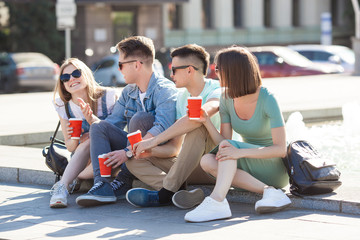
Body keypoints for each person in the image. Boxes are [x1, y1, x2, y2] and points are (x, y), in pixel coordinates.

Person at [184, 46, 291, 222]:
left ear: (234, 71)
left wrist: (239, 152)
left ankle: (217, 201)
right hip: (250, 164)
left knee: (227, 149)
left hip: (274, 166)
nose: (215, 72)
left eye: (218, 68)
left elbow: (280, 149)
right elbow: (224, 141)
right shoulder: (226, 98)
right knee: (207, 160)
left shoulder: (267, 98)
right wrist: (206, 121)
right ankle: (269, 192)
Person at [75, 36, 178, 207]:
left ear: (137, 64)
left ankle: (124, 179)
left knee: (139, 119)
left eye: (121, 64)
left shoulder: (165, 90)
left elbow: (162, 128)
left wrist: (127, 152)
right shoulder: (128, 91)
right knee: (100, 127)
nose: (119, 69)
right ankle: (102, 185)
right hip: (133, 151)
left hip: (157, 153)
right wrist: (91, 121)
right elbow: (111, 124)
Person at [125, 44, 221, 208]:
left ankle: (165, 193)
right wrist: (149, 151)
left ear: (189, 70)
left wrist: (153, 141)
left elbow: (197, 116)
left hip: (215, 164)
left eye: (174, 69)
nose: (170, 75)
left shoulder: (217, 90)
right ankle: (178, 192)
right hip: (187, 166)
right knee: (133, 160)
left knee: (197, 125)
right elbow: (174, 149)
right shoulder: (181, 97)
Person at [50, 58, 119, 208]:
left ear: (86, 73)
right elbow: (70, 147)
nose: (71, 79)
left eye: (76, 73)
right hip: (84, 158)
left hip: (110, 152)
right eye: (65, 77)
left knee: (94, 134)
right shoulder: (63, 106)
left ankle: (66, 183)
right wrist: (75, 138)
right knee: (87, 141)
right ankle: (64, 185)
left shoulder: (108, 96)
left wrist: (92, 122)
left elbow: (119, 131)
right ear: (62, 84)